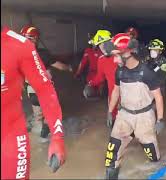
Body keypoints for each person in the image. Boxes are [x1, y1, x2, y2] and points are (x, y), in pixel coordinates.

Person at [1, 26, 66, 179]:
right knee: (37, 112)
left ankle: (43, 129)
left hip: (11, 136)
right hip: (29, 92)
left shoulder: (20, 46)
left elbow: (46, 89)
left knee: (39, 113)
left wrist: (57, 136)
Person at [103, 33, 165, 179]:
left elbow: (158, 96)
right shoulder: (119, 71)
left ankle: (156, 166)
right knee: (112, 153)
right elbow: (116, 92)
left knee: (152, 155)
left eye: (117, 55)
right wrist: (109, 111)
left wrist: (160, 120)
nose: (114, 60)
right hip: (124, 115)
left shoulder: (147, 72)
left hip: (144, 116)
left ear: (128, 54)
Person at [20, 24, 71, 141]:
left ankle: (39, 136)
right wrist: (69, 68)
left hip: (30, 91)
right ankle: (47, 134)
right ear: (36, 39)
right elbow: (59, 66)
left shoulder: (19, 54)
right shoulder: (42, 54)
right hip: (45, 90)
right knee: (50, 114)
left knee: (38, 115)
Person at [87, 30, 119, 127]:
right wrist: (90, 84)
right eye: (100, 45)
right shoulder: (101, 60)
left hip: (128, 96)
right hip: (112, 96)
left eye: (105, 43)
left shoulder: (122, 57)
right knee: (114, 124)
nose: (103, 47)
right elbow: (100, 77)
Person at [74, 34, 103, 99]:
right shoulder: (88, 51)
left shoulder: (102, 51)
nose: (94, 43)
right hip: (91, 73)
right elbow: (83, 63)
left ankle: (100, 95)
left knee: (101, 87)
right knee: (88, 91)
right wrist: (78, 73)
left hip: (101, 74)